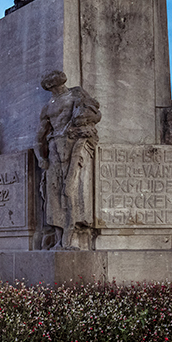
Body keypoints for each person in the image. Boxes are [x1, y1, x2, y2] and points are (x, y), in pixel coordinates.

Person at [34, 70, 101, 249]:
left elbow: (95, 115)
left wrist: (82, 124)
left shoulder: (77, 94)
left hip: (73, 148)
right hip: (55, 149)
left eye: (55, 84)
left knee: (70, 191)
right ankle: (59, 239)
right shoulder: (48, 107)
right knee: (53, 196)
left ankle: (68, 240)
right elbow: (39, 137)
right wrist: (41, 157)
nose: (55, 88)